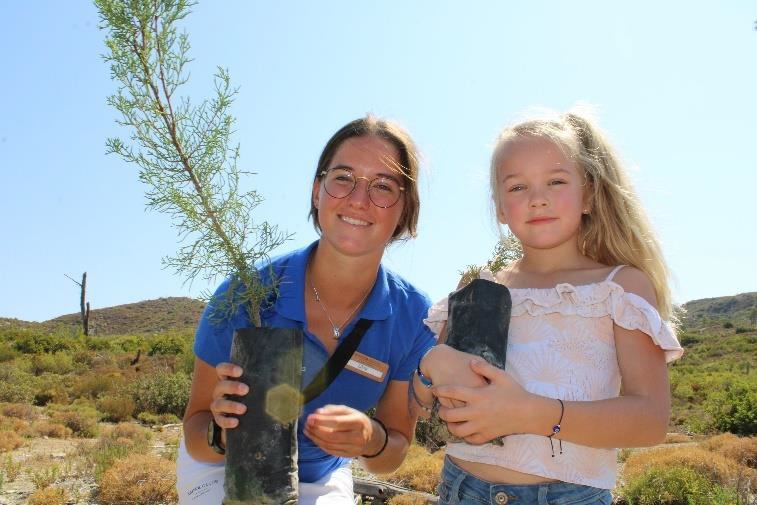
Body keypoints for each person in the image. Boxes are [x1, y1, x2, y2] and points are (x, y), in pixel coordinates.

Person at [410, 109, 683, 504]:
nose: (538, 199)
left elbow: (650, 421)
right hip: (460, 487)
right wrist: (430, 366)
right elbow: (420, 409)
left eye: (556, 181)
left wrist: (530, 413)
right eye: (518, 187)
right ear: (500, 207)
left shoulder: (619, 287)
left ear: (588, 194)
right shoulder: (477, 292)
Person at [177, 116, 436, 504]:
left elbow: (393, 453)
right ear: (317, 191)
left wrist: (370, 438)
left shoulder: (412, 314)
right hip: (225, 469)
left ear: (405, 209)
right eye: (343, 178)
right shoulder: (246, 295)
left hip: (321, 475)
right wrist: (223, 431)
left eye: (383, 186)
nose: (358, 200)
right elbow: (196, 434)